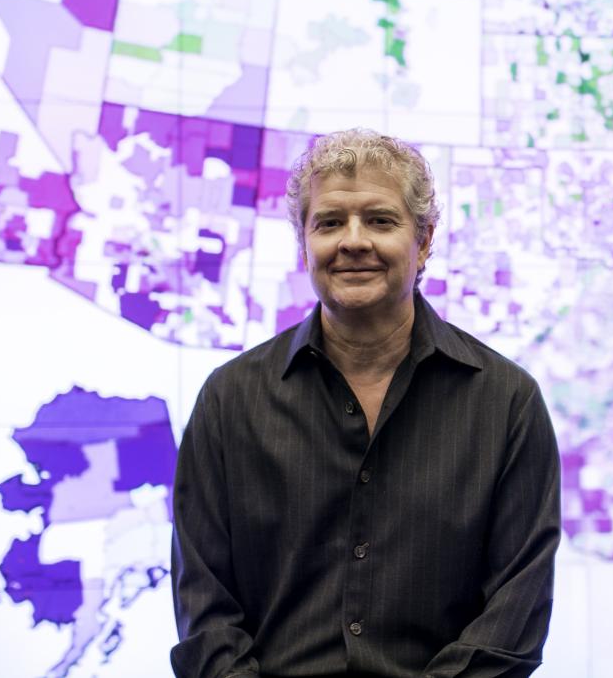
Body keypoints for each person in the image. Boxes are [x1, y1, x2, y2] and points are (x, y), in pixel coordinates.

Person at [170, 128, 561, 678]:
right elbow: (205, 611)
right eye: (329, 223)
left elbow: (513, 623)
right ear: (304, 243)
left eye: (380, 220)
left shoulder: (507, 403)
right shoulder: (229, 399)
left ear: (423, 240)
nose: (353, 241)